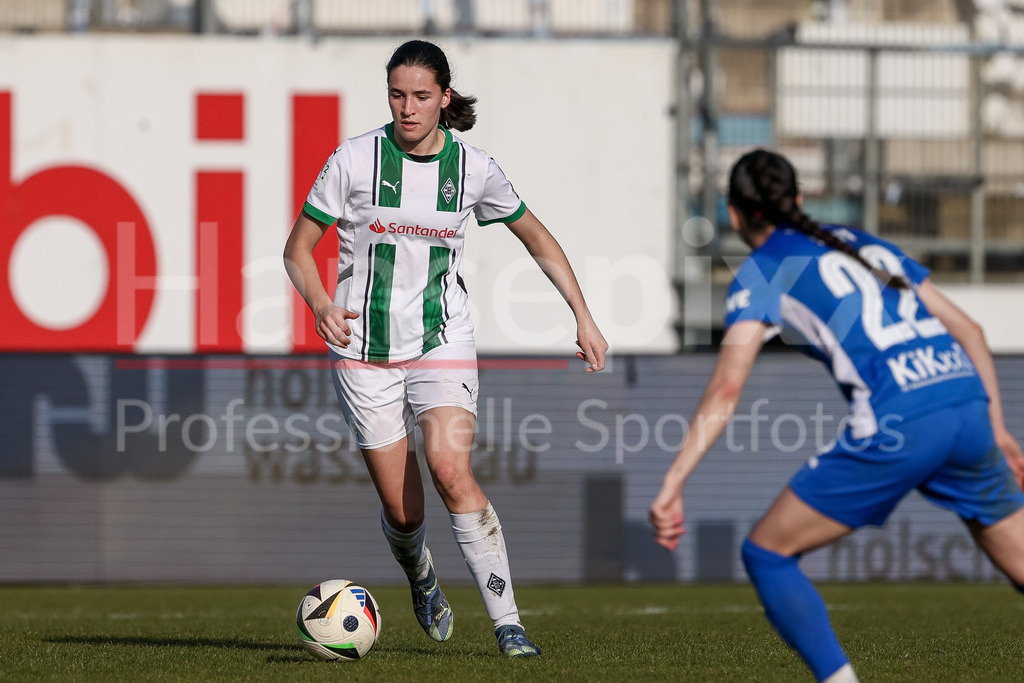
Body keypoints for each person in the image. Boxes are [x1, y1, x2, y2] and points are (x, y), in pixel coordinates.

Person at [284, 39, 607, 658]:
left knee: (451, 470)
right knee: (405, 514)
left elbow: (536, 237)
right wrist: (322, 304)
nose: (407, 108)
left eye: (421, 96)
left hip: (441, 339)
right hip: (363, 347)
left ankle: (510, 628)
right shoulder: (353, 160)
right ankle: (420, 572)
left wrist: (582, 315)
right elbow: (297, 250)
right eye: (397, 94)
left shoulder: (474, 169)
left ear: (445, 98)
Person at [650, 148, 1024, 682]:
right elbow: (972, 331)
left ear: (733, 214)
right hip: (966, 403)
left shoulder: (763, 272)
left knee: (767, 554)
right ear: (799, 198)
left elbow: (727, 389)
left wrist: (672, 482)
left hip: (902, 421)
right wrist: (999, 427)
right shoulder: (863, 242)